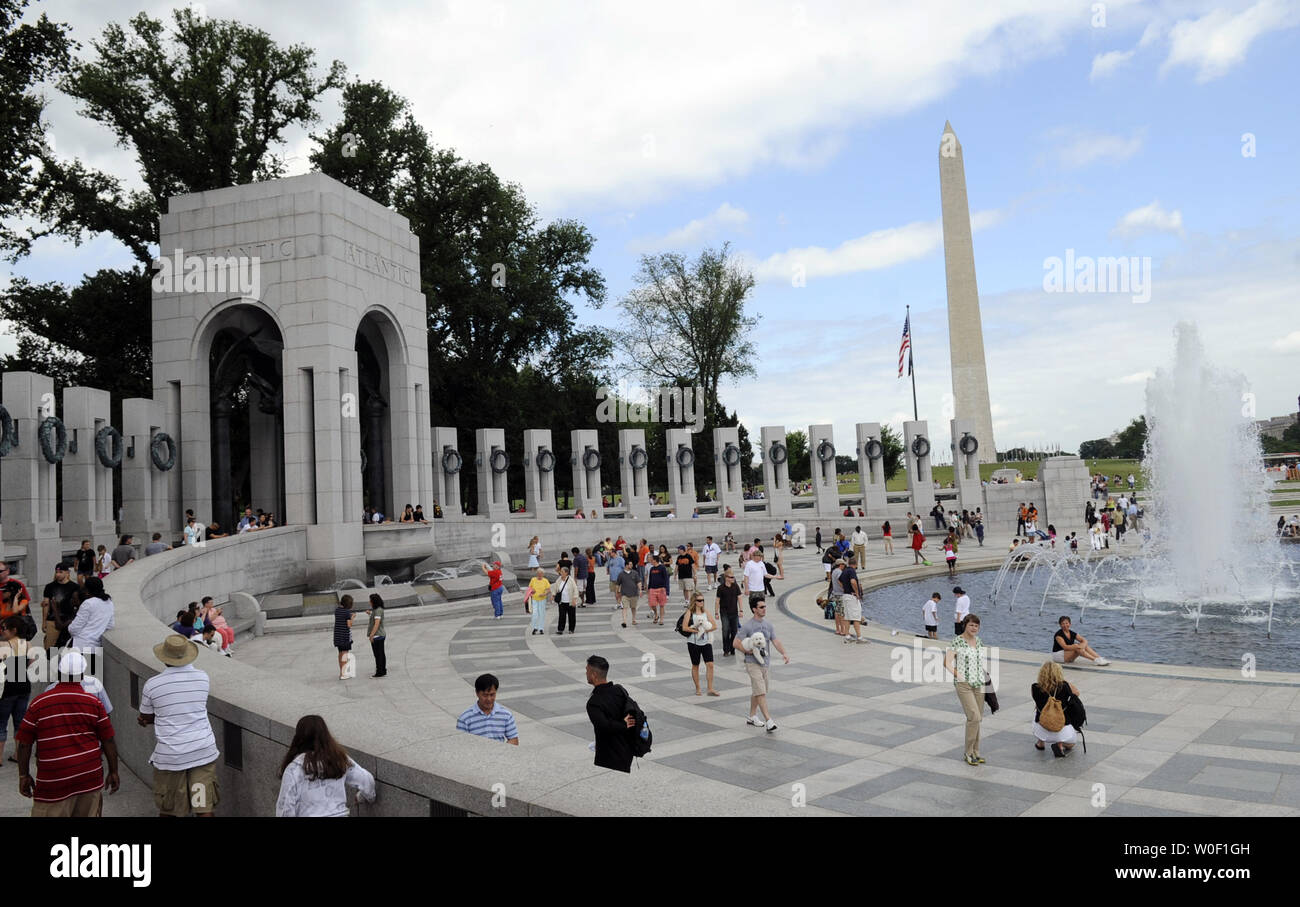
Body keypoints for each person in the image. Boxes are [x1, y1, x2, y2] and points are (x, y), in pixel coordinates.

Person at [16, 650, 119, 816]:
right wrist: (113, 771)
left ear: (60, 672)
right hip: (89, 776)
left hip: (54, 779)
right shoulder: (94, 703)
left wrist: (23, 775)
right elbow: (108, 739)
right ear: (82, 674)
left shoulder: (40, 702)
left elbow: (24, 744)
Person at [137, 634, 220, 817]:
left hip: (172, 756)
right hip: (202, 751)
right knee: (203, 807)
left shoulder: (152, 685)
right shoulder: (202, 678)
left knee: (171, 810)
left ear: (164, 658)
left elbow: (146, 716)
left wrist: (146, 720)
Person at [275, 715, 377, 816]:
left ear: (298, 738)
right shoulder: (338, 759)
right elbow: (367, 780)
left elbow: (285, 808)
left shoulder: (294, 769)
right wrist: (365, 796)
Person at [734, 598, 789, 732]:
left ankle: (752, 716)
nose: (764, 609)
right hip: (752, 663)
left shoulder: (768, 625)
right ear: (754, 609)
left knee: (758, 691)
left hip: (765, 663)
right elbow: (736, 643)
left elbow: (775, 640)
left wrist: (784, 653)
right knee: (761, 691)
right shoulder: (748, 626)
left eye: (765, 606)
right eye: (761, 607)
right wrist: (747, 651)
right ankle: (769, 720)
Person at [943, 614, 987, 766]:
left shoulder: (979, 641)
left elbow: (980, 663)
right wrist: (960, 676)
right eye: (971, 625)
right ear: (965, 626)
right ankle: (968, 753)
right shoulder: (957, 641)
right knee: (973, 716)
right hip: (964, 685)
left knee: (978, 718)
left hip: (979, 683)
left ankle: (976, 751)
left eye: (976, 625)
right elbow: (947, 663)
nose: (974, 628)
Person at [585, 655, 636, 773]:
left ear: (594, 675)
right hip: (626, 753)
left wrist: (624, 725)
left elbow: (604, 726)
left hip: (607, 757)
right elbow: (631, 711)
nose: (586, 674)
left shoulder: (593, 703)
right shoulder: (619, 690)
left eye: (587, 671)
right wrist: (626, 724)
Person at [0, 616, 36, 767]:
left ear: (13, 630)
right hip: (23, 686)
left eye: (3, 628)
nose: (1, 631)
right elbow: (32, 661)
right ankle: (18, 755)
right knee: (20, 722)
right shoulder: (27, 644)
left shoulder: (3, 645)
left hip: (7, 689)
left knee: (1, 723)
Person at [1031, 661, 1082, 757]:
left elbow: (1038, 703)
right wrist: (1063, 681)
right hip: (1062, 730)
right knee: (1071, 745)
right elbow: (1077, 693)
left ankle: (1040, 743)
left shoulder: (1034, 687)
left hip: (1041, 730)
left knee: (1039, 710)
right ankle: (1059, 744)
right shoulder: (1065, 687)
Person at [456, 673, 519, 744]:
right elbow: (460, 744)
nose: (489, 699)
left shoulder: (506, 715)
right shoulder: (465, 718)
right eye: (485, 695)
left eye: (492, 695)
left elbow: (514, 739)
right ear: (477, 693)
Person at [684, 593, 719, 696]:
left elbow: (714, 626)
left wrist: (706, 630)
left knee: (710, 664)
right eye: (699, 600)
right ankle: (698, 688)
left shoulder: (706, 612)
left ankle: (710, 688)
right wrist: (695, 630)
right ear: (694, 601)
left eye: (703, 600)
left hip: (706, 641)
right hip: (693, 642)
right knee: (696, 665)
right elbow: (684, 628)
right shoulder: (689, 612)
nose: (701, 602)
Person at [68, 576, 114, 654]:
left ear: (87, 590)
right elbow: (110, 625)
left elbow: (74, 629)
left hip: (81, 647)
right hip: (96, 648)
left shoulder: (88, 603)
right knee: (94, 667)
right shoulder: (109, 603)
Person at [714, 566, 742, 657]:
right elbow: (717, 600)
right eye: (731, 577)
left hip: (734, 612)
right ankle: (726, 650)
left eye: (733, 577)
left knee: (734, 631)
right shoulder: (721, 588)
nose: (733, 579)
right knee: (725, 630)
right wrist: (716, 612)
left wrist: (741, 610)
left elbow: (739, 598)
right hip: (724, 612)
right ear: (726, 578)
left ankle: (732, 648)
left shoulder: (736, 586)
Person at [839, 555, 865, 643]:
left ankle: (847, 635)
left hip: (845, 596)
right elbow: (853, 581)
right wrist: (857, 593)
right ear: (855, 564)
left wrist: (845, 588)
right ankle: (859, 637)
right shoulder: (852, 571)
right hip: (851, 597)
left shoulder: (845, 570)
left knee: (847, 616)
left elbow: (839, 580)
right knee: (856, 617)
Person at [333, 594, 354, 679]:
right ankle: (344, 674)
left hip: (337, 636)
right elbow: (349, 625)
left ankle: (341, 672)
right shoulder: (347, 612)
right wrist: (352, 617)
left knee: (340, 653)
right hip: (345, 636)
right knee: (345, 654)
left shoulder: (337, 610)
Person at [366, 594, 387, 677]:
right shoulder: (378, 610)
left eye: (370, 600)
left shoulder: (377, 610)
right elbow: (376, 618)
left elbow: (377, 624)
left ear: (374, 601)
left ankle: (379, 672)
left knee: (378, 654)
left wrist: (371, 635)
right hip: (380, 635)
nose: (369, 602)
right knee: (381, 653)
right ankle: (383, 670)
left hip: (377, 636)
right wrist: (370, 614)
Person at [525, 567, 551, 635]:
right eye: (538, 573)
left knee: (541, 614)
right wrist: (532, 590)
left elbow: (548, 589)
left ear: (543, 574)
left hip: (542, 599)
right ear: (537, 574)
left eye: (541, 573)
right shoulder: (533, 579)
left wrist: (544, 593)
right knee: (535, 614)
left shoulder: (545, 580)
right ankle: (535, 627)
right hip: (534, 599)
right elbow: (529, 588)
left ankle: (541, 628)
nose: (539, 575)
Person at [616, 560, 641, 628]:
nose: (631, 565)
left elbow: (638, 582)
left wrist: (640, 590)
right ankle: (624, 621)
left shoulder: (635, 573)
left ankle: (633, 619)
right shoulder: (621, 574)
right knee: (625, 607)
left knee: (633, 607)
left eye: (632, 564)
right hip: (624, 594)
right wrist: (617, 593)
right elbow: (618, 584)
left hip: (634, 593)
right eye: (630, 564)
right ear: (626, 565)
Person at [646, 554, 670, 625]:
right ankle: (656, 614)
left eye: (651, 559)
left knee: (662, 605)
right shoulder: (651, 569)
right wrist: (648, 588)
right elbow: (650, 579)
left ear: (655, 560)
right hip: (652, 589)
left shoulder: (662, 568)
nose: (650, 560)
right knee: (652, 604)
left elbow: (666, 578)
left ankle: (661, 619)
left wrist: (665, 587)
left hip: (661, 589)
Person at [554, 565, 577, 635]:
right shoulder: (558, 580)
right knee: (562, 616)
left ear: (566, 573)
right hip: (562, 602)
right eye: (560, 571)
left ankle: (571, 629)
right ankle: (560, 629)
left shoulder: (571, 580)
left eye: (562, 572)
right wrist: (553, 595)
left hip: (570, 602)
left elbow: (575, 590)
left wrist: (574, 599)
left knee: (572, 616)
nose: (560, 573)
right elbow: (555, 588)